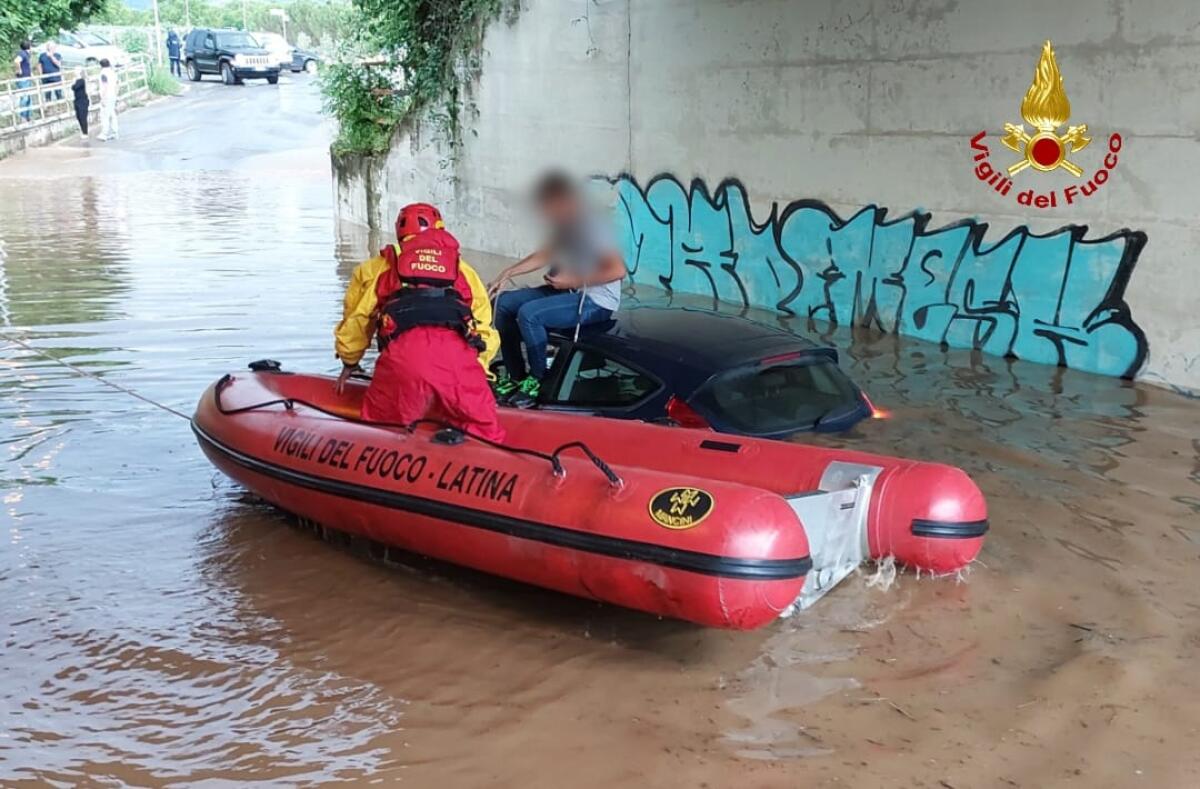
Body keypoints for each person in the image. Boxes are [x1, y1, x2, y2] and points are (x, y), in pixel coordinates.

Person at [334, 203, 504, 441]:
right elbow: (484, 329)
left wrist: (349, 361)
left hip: (403, 363)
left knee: (382, 436)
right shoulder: (463, 270)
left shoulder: (380, 268)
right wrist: (478, 369)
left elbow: (358, 320)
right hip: (458, 365)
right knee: (485, 436)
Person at [488, 171, 626, 407]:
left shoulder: (593, 227)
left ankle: (538, 379)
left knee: (530, 314)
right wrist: (508, 273)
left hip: (596, 302)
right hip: (568, 291)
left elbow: (617, 270)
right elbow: (545, 254)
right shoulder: (565, 224)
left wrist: (572, 281)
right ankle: (516, 377)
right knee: (502, 304)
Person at [97, 59, 118, 141]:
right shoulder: (113, 72)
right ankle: (115, 132)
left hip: (107, 96)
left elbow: (105, 85)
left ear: (101, 65)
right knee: (112, 114)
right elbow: (117, 84)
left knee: (105, 115)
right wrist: (116, 94)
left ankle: (104, 133)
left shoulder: (103, 73)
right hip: (113, 95)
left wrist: (103, 98)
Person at [70, 68, 90, 138]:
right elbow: (72, 87)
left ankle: (85, 132)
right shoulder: (76, 80)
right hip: (77, 100)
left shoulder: (82, 80)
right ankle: (83, 131)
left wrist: (74, 83)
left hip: (83, 100)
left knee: (82, 116)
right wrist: (73, 83)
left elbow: (75, 87)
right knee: (78, 116)